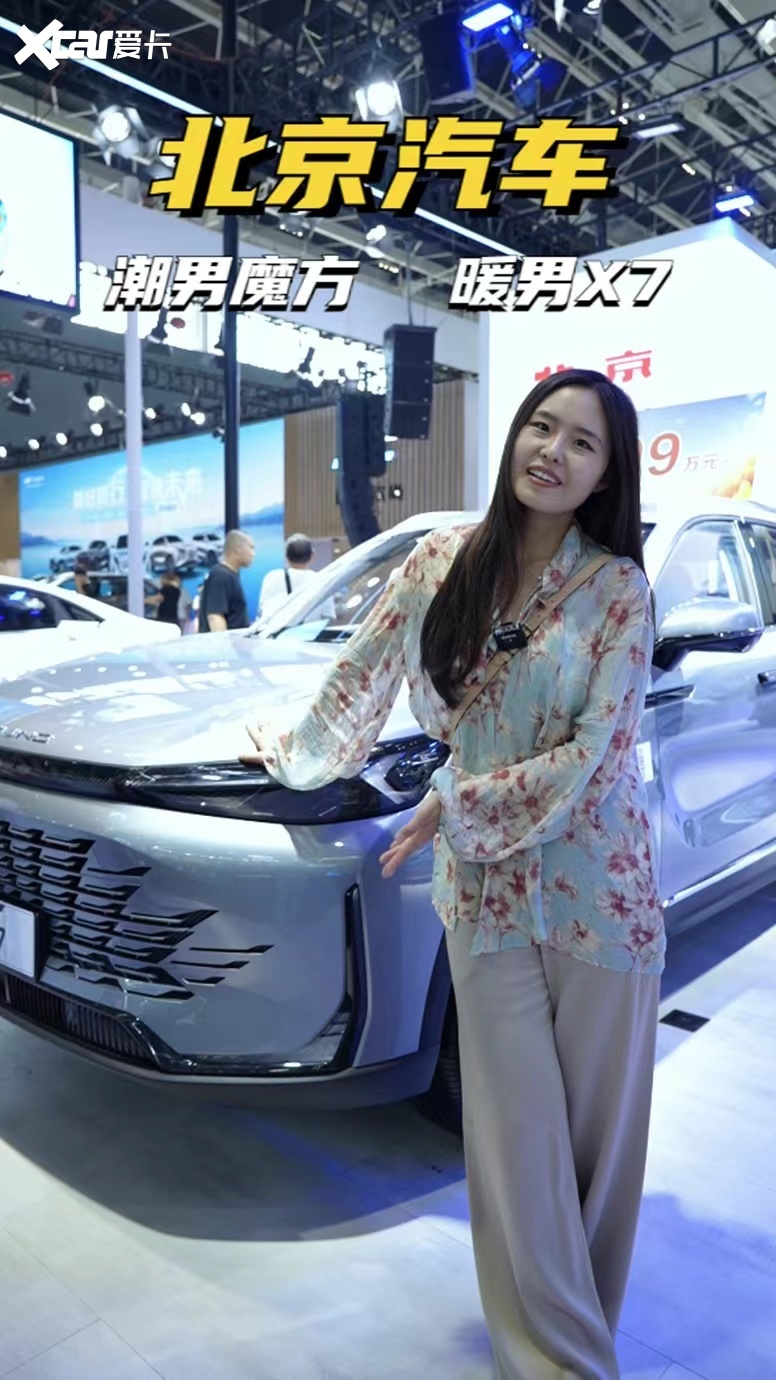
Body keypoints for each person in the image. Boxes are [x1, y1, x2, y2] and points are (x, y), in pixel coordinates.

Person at [239, 369, 665, 1380]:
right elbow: (358, 679)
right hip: (484, 895)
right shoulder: (438, 562)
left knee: (595, 1155)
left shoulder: (617, 589)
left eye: (582, 442)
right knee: (514, 1146)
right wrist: (289, 752)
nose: (552, 451)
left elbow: (597, 758)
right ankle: (555, 1364)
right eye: (541, 426)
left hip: (598, 892)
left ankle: (579, 1342)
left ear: (607, 474)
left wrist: (453, 802)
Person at [198, 529, 255, 633]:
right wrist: (223, 643)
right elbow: (215, 617)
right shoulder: (221, 575)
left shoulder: (228, 575)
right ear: (238, 548)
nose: (253, 554)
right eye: (251, 548)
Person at [258, 532, 317, 620]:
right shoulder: (320, 579)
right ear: (312, 555)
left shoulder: (271, 577)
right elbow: (328, 616)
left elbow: (262, 612)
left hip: (277, 628)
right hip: (313, 628)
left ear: (286, 556)